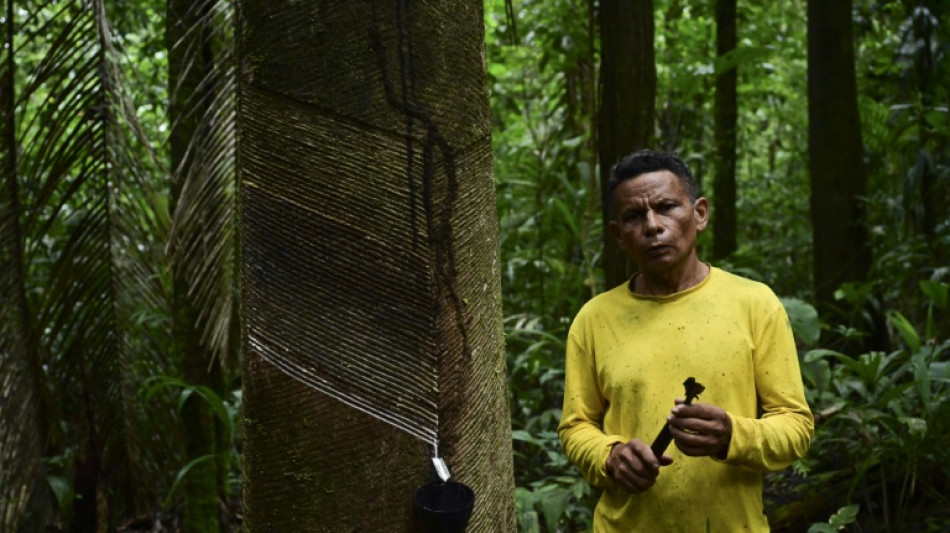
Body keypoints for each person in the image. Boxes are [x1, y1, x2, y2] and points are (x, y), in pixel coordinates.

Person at [558, 150, 814, 531]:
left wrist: (732, 435)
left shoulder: (755, 304)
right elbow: (576, 426)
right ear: (618, 236)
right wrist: (610, 456)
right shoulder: (594, 319)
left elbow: (795, 426)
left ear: (700, 215)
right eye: (634, 216)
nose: (653, 226)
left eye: (666, 208)